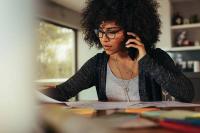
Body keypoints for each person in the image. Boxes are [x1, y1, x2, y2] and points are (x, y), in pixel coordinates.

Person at [43, 0, 194, 102]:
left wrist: (146, 61)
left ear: (131, 30)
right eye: (100, 31)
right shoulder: (97, 64)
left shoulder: (156, 57)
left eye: (112, 31)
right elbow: (63, 92)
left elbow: (187, 94)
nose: (104, 38)